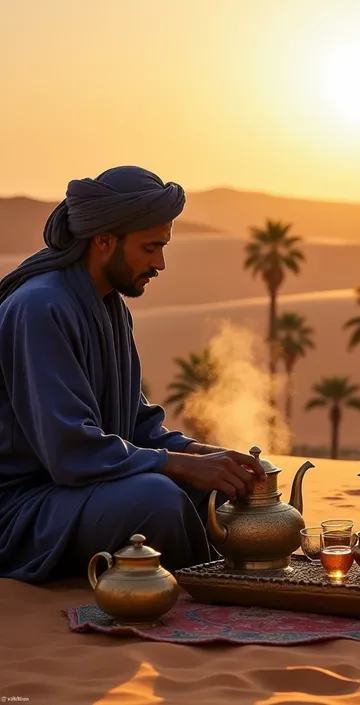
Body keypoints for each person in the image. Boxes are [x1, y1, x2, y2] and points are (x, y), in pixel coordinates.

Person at [0, 165, 265, 584]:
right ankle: (213, 590)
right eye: (150, 248)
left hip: (82, 491)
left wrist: (204, 456)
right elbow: (70, 451)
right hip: (25, 509)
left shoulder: (110, 308)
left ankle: (252, 577)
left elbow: (135, 426)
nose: (160, 262)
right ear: (104, 240)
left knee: (230, 487)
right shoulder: (40, 307)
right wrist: (176, 466)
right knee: (155, 500)